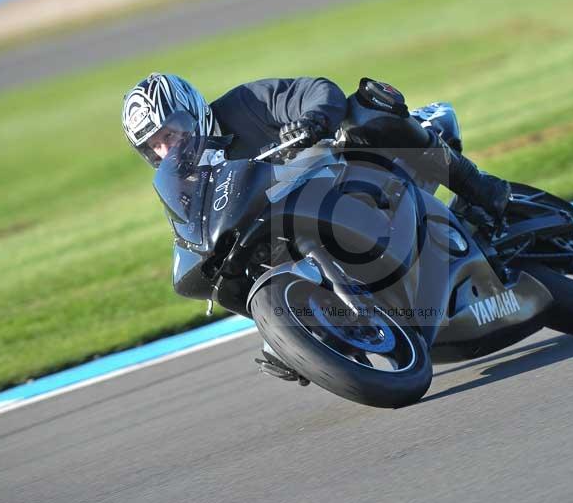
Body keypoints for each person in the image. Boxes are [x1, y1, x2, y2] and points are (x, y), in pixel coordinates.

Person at [121, 73, 511, 381]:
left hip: (345, 177)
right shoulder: (187, 182)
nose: (165, 151)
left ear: (191, 110)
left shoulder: (244, 105)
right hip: (291, 234)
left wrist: (310, 121)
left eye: (170, 134)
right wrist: (284, 336)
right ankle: (318, 330)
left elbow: (316, 90)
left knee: (370, 108)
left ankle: (478, 186)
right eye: (152, 146)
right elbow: (197, 231)